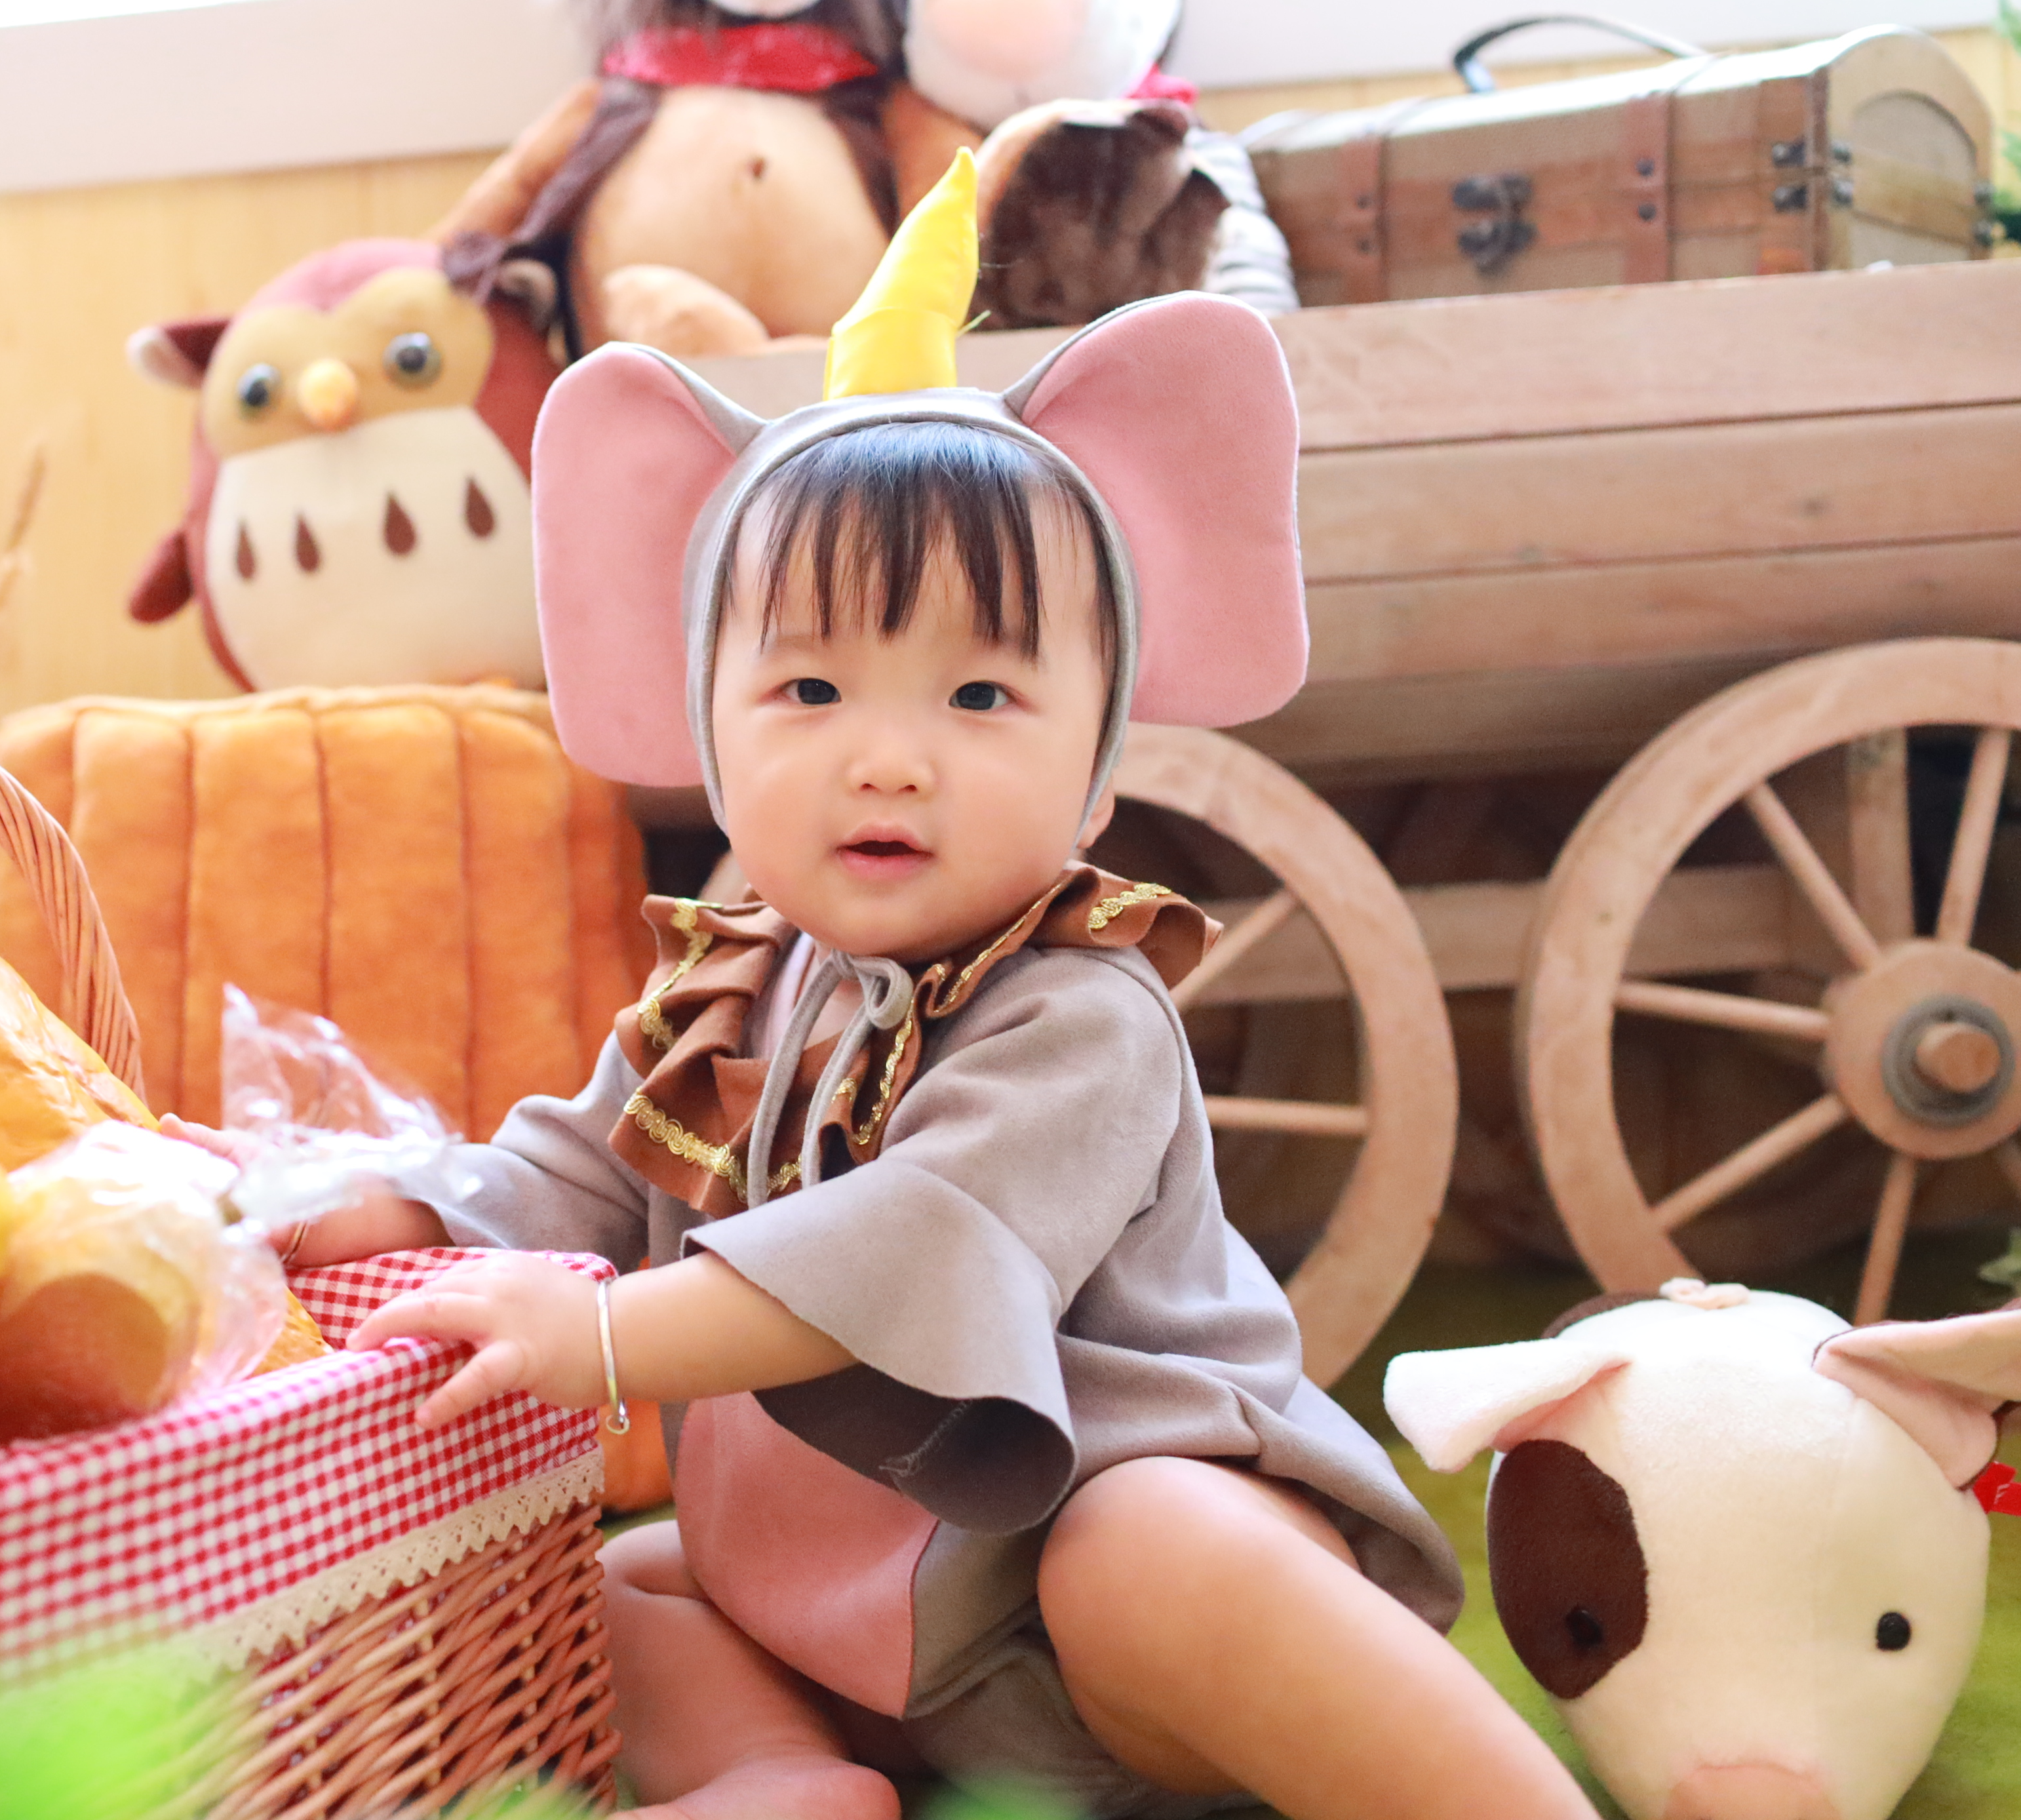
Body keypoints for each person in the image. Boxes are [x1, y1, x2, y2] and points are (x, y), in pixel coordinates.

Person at [174, 156, 1593, 1820]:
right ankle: (782, 1775)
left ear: (1098, 766)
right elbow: (571, 1174)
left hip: (1085, 1619)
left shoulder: (1081, 1013)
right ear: (706, 731)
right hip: (878, 1638)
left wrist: (611, 1336)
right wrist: (388, 1209)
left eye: (980, 695)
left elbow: (912, 1246)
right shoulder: (737, 985)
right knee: (605, 1578)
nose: (890, 760)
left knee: (1148, 1551)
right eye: (812, 690)